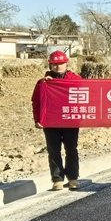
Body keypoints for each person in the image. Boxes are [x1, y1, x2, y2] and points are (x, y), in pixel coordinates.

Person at [31, 50, 83, 191]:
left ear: (66, 63)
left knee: (71, 148)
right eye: (54, 64)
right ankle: (57, 179)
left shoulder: (75, 79)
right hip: (50, 121)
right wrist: (37, 119)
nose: (57, 67)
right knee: (54, 150)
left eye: (60, 63)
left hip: (70, 120)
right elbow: (36, 102)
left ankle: (73, 178)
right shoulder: (43, 83)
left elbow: (87, 96)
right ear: (50, 65)